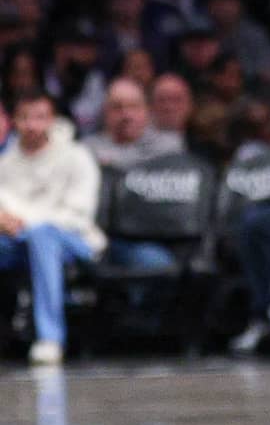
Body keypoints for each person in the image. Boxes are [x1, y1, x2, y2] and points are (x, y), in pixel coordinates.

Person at [0, 93, 105, 365]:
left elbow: (78, 215)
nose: (32, 125)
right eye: (24, 117)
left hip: (75, 240)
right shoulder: (5, 163)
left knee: (42, 234)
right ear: (14, 121)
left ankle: (50, 338)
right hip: (17, 242)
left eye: (40, 117)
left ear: (52, 120)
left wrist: (23, 222)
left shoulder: (77, 156)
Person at [83, 78, 184, 167]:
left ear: (147, 110)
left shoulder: (169, 145)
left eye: (133, 106)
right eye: (117, 107)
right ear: (105, 113)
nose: (126, 115)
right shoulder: (88, 149)